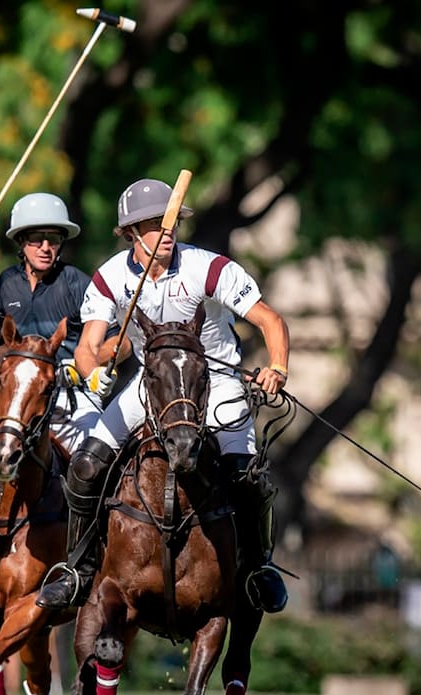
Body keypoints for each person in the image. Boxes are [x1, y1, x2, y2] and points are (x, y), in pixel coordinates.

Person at [34, 177, 291, 615]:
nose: (167, 232)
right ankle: (79, 566)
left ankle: (256, 568)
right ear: (131, 234)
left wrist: (278, 367)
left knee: (247, 477)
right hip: (151, 387)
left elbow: (269, 320)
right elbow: (87, 346)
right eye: (154, 225)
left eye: (170, 223)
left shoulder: (210, 268)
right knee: (85, 464)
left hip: (216, 381)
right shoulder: (111, 277)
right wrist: (92, 373)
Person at [0, 192, 125, 602]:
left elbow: (117, 338)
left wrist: (92, 365)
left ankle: (87, 567)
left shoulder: (78, 284)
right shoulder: (8, 282)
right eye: (36, 239)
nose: (46, 247)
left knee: (91, 476)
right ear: (21, 245)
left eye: (53, 238)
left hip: (71, 397)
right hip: (20, 405)